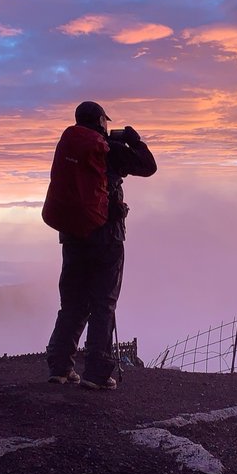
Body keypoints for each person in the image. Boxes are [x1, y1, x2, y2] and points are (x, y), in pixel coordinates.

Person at [44, 101, 156, 390]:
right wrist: (134, 140)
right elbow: (148, 167)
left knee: (72, 302)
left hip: (71, 235)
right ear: (99, 122)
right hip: (107, 237)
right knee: (103, 303)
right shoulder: (108, 150)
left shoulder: (69, 148)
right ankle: (96, 372)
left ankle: (59, 367)